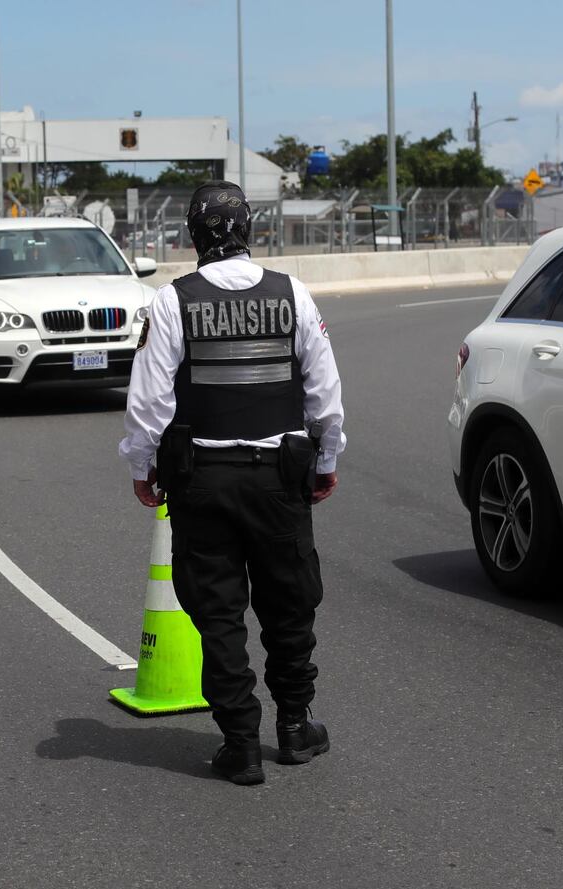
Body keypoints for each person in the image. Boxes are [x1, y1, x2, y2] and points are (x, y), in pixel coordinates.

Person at [119, 180, 346, 786]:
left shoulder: (173, 302)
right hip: (279, 479)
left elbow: (148, 402)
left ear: (193, 234)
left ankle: (240, 743)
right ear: (249, 228)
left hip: (203, 484)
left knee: (218, 614)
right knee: (289, 606)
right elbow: (325, 392)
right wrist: (327, 459)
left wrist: (142, 468)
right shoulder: (292, 294)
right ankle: (295, 727)